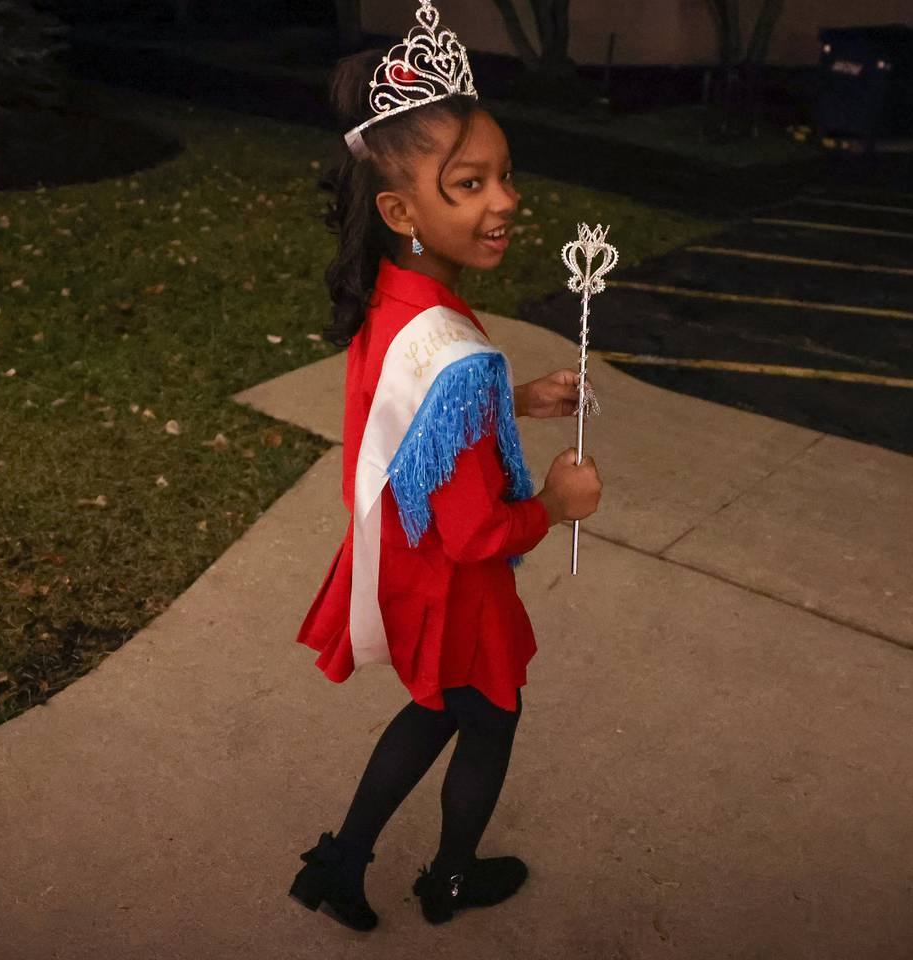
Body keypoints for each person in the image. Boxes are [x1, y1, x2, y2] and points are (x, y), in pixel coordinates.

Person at [287, 1, 603, 932]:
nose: (503, 200)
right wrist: (555, 500)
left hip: (410, 565)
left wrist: (513, 400)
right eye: (468, 185)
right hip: (456, 584)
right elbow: (475, 527)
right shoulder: (451, 349)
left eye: (504, 176)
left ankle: (340, 865)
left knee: (436, 713)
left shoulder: (393, 296)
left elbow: (408, 405)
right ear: (401, 210)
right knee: (486, 719)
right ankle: (450, 877)